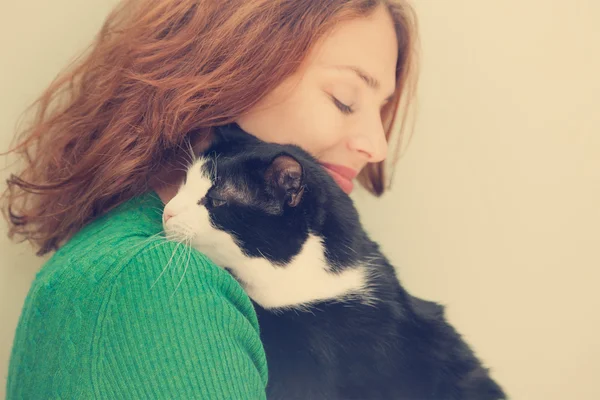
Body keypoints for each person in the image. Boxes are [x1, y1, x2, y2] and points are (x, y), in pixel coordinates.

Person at [2, 0, 418, 398]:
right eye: (345, 100)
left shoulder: (138, 253)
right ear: (235, 65)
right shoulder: (155, 285)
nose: (377, 146)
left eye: (380, 110)